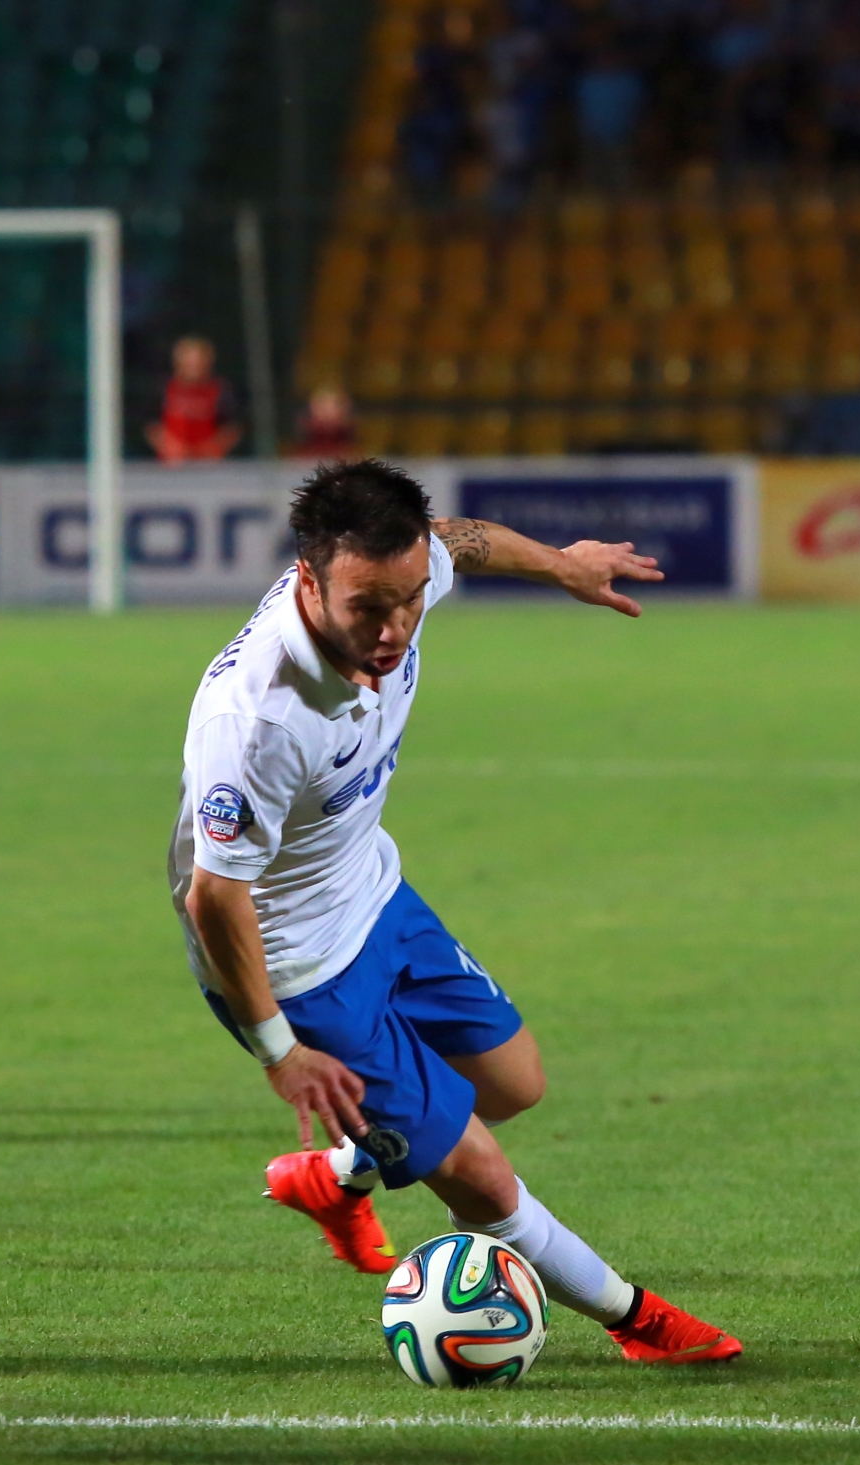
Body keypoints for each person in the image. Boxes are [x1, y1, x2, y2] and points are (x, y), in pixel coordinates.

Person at [170, 459, 742, 1365]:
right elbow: (214, 896)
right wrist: (282, 1049)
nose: (394, 628)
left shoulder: (404, 570)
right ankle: (640, 1322)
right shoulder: (260, 719)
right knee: (476, 1167)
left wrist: (560, 563)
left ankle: (334, 1179)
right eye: (368, 608)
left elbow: (460, 541)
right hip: (294, 968)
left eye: (407, 599)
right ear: (310, 580)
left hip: (372, 891)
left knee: (514, 1083)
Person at [146, 336, 242, 464]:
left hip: (209, 464)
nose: (194, 366)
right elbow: (152, 424)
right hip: (171, 465)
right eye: (189, 361)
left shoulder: (221, 390)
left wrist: (212, 448)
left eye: (198, 361)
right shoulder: (164, 389)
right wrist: (169, 446)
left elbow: (233, 426)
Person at [291, 387, 358, 459]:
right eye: (320, 406)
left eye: (331, 406)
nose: (326, 413)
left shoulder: (352, 454)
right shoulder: (300, 455)